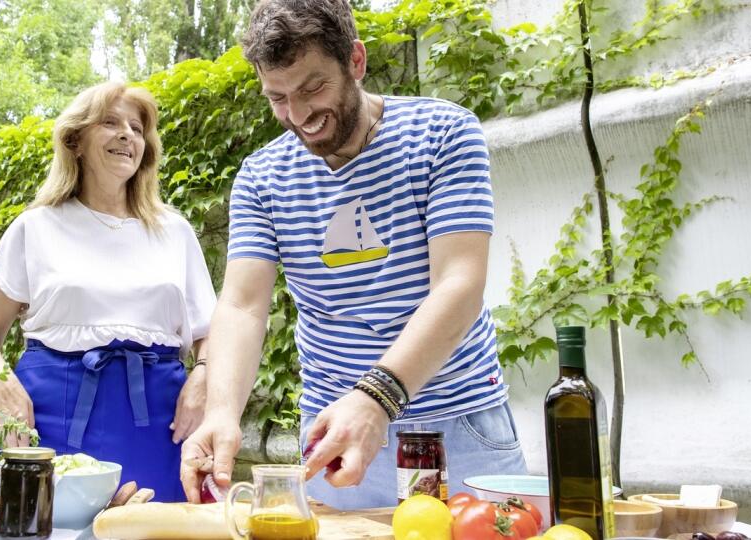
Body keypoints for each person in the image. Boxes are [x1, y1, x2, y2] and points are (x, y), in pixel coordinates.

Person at [180, 0, 527, 509]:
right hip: (332, 437)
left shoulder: (444, 134)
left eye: (312, 87)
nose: (298, 117)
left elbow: (459, 284)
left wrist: (378, 398)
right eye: (277, 98)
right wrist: (222, 413)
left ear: (356, 62)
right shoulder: (261, 177)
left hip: (461, 424)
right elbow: (242, 305)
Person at [0, 81, 217, 502]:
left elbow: (211, 331)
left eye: (137, 128)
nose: (127, 135)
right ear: (75, 141)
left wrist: (204, 376)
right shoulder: (36, 226)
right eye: (110, 122)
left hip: (162, 422)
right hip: (51, 417)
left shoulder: (175, 232)